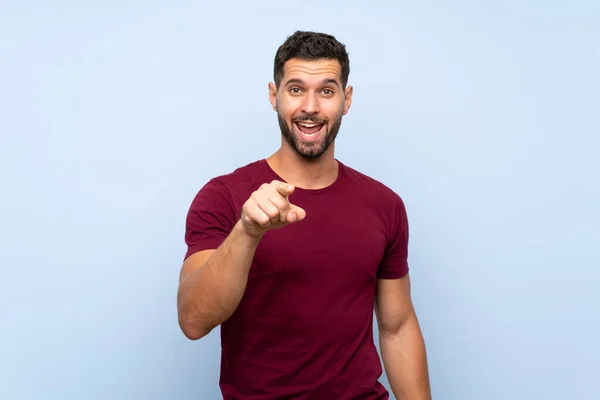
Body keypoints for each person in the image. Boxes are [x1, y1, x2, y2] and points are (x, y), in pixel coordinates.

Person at [177, 30, 431, 400]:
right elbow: (193, 320)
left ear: (346, 100)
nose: (310, 107)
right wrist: (247, 232)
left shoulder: (384, 204)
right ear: (273, 95)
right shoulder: (224, 196)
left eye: (326, 91)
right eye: (296, 89)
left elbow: (397, 327)